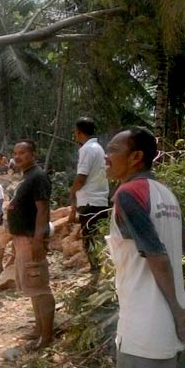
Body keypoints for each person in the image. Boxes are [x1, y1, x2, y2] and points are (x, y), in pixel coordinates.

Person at [104, 127, 185, 368]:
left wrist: (170, 306)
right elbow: (182, 246)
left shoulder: (128, 194)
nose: (106, 156)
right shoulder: (167, 195)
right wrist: (179, 311)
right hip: (179, 327)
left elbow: (155, 254)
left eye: (113, 149)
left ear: (136, 157)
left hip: (145, 329)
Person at [6, 139, 55, 349]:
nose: (18, 156)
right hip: (21, 239)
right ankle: (38, 328)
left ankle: (47, 336)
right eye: (15, 153)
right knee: (32, 287)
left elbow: (42, 210)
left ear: (33, 154)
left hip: (30, 238)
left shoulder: (38, 177)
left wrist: (38, 239)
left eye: (23, 152)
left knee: (40, 287)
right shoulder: (26, 177)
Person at [68, 117, 110, 276]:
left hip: (89, 200)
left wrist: (72, 192)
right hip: (100, 200)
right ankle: (100, 270)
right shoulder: (98, 148)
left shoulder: (87, 149)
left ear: (78, 131)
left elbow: (81, 177)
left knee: (90, 238)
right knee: (97, 237)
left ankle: (96, 272)